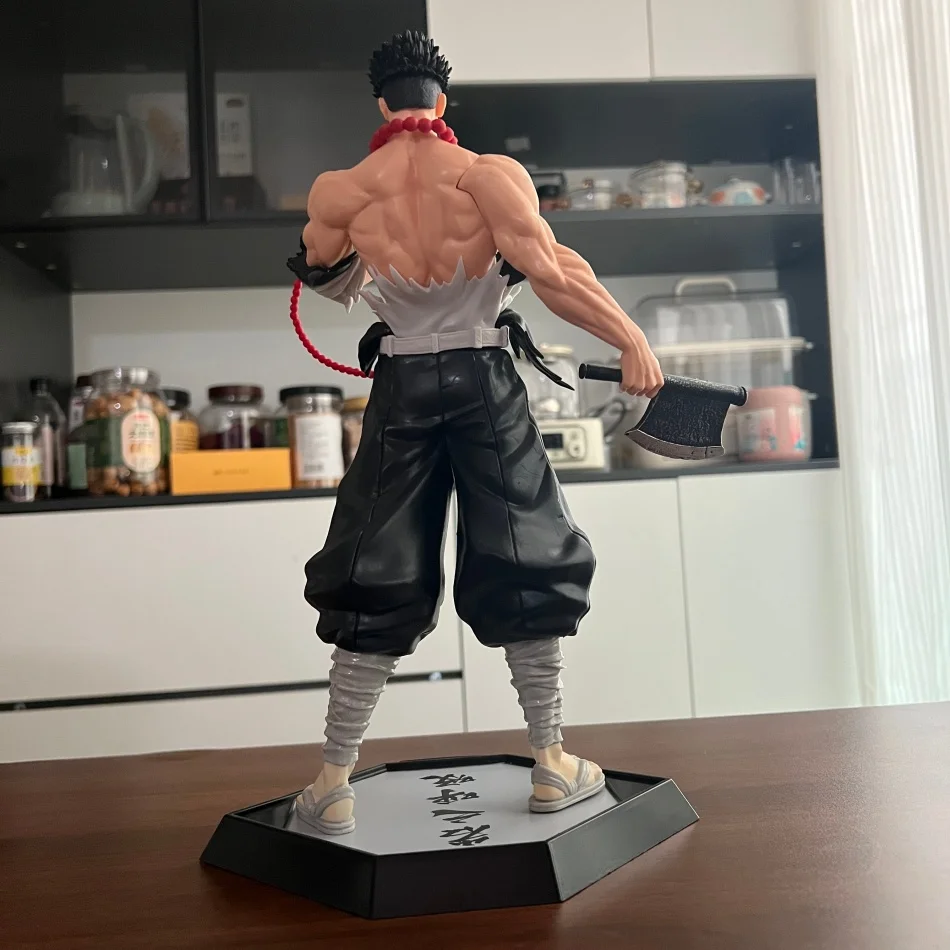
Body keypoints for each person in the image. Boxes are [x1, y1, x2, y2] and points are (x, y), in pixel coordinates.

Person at [288, 31, 662, 835]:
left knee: (373, 557)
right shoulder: (488, 176)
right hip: (483, 377)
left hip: (403, 385)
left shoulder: (341, 190)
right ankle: (551, 761)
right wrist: (629, 337)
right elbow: (552, 271)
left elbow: (322, 272)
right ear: (442, 99)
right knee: (525, 545)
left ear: (381, 102)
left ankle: (332, 779)